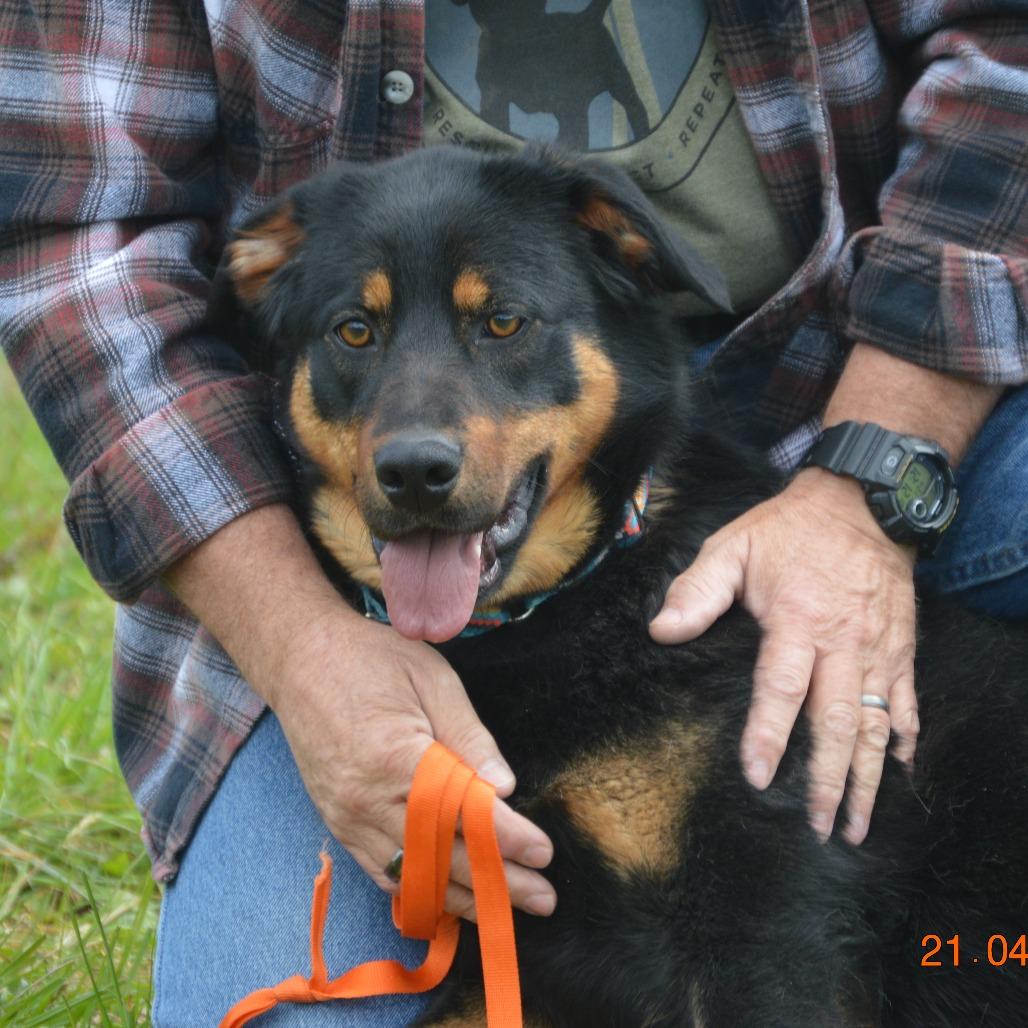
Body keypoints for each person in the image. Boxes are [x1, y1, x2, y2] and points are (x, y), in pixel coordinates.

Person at [1, 0, 1025, 1022]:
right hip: (292, 561)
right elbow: (78, 257)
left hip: (886, 371)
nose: (419, 438)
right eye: (355, 332)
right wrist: (299, 641)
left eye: (498, 322)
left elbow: (1004, 49)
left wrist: (863, 484)